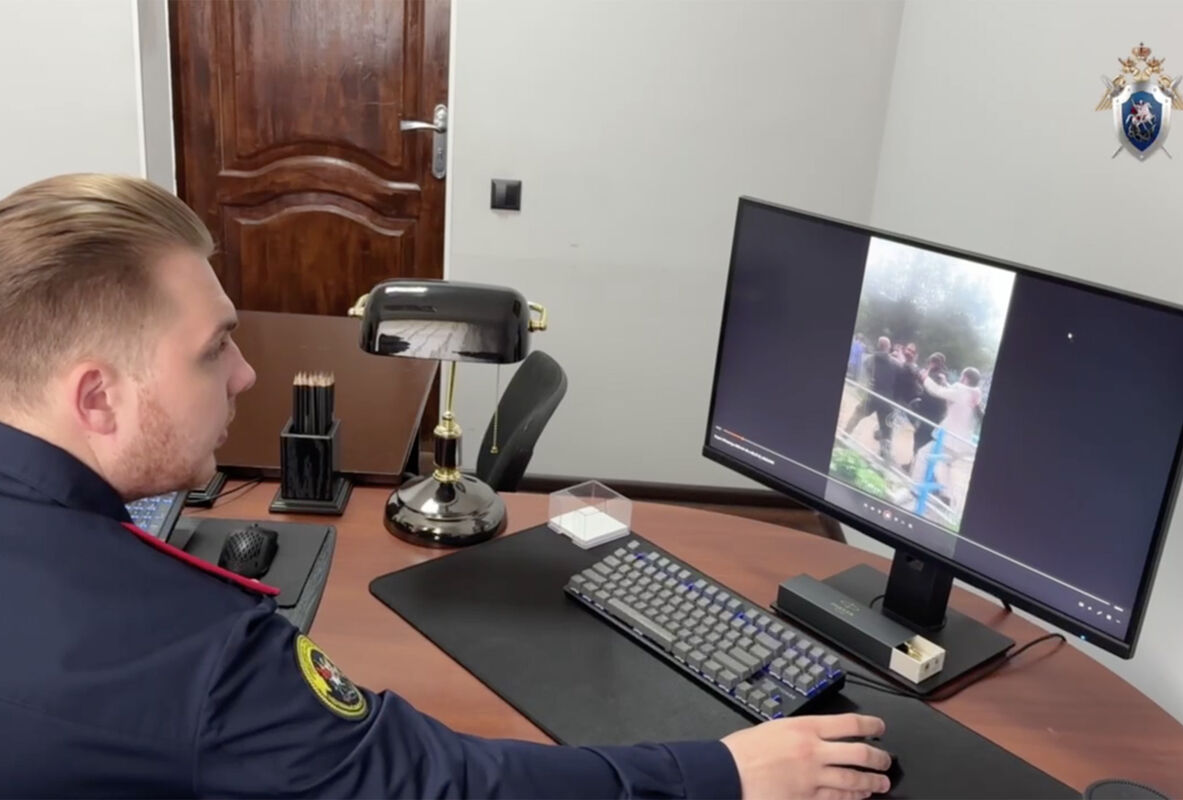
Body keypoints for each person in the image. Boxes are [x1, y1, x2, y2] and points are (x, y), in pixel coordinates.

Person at [0, 174, 892, 798]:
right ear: (97, 398)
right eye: (213, 349)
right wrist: (727, 775)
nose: (244, 374)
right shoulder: (193, 655)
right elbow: (447, 785)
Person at [908, 366, 984, 510]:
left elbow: (937, 391)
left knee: (923, 455)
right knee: (943, 465)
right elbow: (955, 395)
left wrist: (925, 378)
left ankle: (917, 489)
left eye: (962, 376)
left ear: (965, 378)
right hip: (962, 443)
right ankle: (947, 497)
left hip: (949, 439)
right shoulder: (974, 394)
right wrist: (946, 383)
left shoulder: (961, 391)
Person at [843, 336, 900, 462]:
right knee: (886, 428)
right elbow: (898, 379)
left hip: (873, 395)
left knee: (857, 414)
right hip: (887, 399)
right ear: (888, 347)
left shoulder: (871, 359)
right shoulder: (895, 364)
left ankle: (845, 435)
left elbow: (867, 372)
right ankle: (884, 454)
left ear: (878, 346)